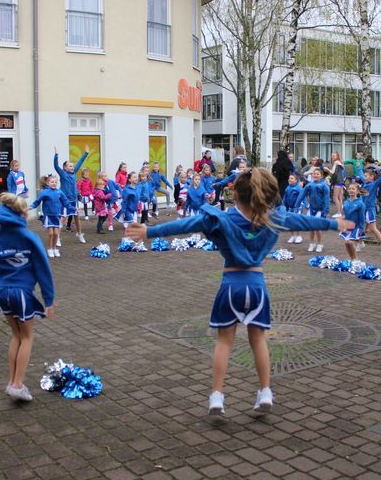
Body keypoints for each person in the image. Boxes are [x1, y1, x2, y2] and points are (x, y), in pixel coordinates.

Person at [124, 168, 354, 415]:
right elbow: (305, 221)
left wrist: (149, 231)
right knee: (258, 341)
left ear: (234, 194)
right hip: (257, 286)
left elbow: (185, 224)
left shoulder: (219, 219)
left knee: (224, 342)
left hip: (231, 285)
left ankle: (217, 397)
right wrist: (334, 223)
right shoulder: (273, 219)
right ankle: (265, 391)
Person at [0, 193, 55, 401]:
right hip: (21, 293)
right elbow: (43, 269)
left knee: (16, 336)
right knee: (27, 337)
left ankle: (11, 382)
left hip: (2, 293)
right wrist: (49, 300)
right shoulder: (29, 237)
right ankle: (18, 384)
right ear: (22, 214)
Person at [54, 145, 89, 245]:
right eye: (70, 166)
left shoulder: (74, 173)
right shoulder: (63, 174)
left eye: (73, 166)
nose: (72, 167)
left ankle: (80, 234)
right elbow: (56, 166)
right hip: (65, 200)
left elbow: (80, 162)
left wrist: (86, 153)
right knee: (63, 218)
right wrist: (56, 155)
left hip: (74, 200)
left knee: (77, 217)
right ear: (65, 168)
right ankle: (57, 237)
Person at [29, 175, 70, 258]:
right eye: (52, 182)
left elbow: (66, 203)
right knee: (51, 233)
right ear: (48, 183)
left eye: (55, 182)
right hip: (48, 216)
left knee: (56, 234)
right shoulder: (44, 192)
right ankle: (50, 249)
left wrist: (74, 209)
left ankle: (54, 249)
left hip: (57, 216)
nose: (54, 183)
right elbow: (37, 202)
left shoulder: (59, 192)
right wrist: (30, 207)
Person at [294, 167, 330, 253]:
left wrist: (326, 210)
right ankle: (312, 243)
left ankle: (320, 244)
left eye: (317, 174)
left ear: (321, 175)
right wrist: (297, 204)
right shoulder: (309, 185)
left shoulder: (324, 186)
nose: (315, 175)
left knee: (317, 228)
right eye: (314, 174)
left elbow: (326, 199)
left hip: (320, 210)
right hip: (311, 209)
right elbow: (302, 194)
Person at [361, 165, 381, 255]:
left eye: (366, 176)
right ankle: (360, 242)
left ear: (371, 177)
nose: (364, 177)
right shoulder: (365, 184)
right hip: (363, 208)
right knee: (359, 225)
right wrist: (358, 166)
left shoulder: (374, 184)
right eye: (364, 175)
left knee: (373, 228)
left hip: (370, 209)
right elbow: (360, 175)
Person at [340, 182, 366, 261]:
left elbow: (362, 217)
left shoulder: (360, 204)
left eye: (353, 189)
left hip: (356, 227)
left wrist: (361, 228)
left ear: (357, 191)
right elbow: (344, 214)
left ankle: (355, 259)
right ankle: (351, 259)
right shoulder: (346, 202)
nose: (351, 190)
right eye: (350, 189)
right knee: (346, 243)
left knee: (351, 242)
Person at [282, 173, 303, 244]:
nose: (289, 180)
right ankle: (292, 236)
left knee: (297, 222)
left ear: (296, 180)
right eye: (289, 178)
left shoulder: (299, 188)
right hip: (290, 208)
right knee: (290, 221)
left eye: (292, 178)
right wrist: (283, 205)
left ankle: (299, 236)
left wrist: (307, 205)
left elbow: (303, 197)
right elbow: (285, 198)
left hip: (297, 208)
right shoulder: (287, 188)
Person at [328, 152, 346, 216]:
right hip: (341, 181)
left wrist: (326, 169)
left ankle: (339, 213)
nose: (332, 157)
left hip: (337, 182)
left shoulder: (336, 162)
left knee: (335, 197)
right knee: (340, 198)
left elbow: (332, 172)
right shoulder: (340, 162)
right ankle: (340, 212)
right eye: (332, 155)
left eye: (333, 156)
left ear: (337, 156)